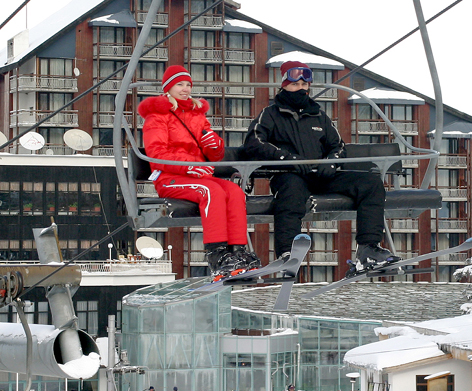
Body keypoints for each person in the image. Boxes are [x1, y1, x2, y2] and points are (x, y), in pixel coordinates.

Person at [243, 61, 400, 268]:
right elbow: (253, 143)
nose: (301, 88)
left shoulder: (318, 115)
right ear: (284, 85)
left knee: (370, 184)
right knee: (291, 193)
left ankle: (368, 247)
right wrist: (287, 159)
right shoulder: (271, 115)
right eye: (295, 84)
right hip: (290, 174)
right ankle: (287, 252)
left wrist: (332, 162)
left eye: (304, 84)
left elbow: (338, 146)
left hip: (322, 176)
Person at [138, 65, 260, 280]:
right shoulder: (157, 116)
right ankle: (217, 253)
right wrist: (187, 166)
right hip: (170, 178)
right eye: (179, 84)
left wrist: (214, 146)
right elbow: (156, 152)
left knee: (234, 191)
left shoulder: (197, 115)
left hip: (199, 174)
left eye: (188, 85)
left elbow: (213, 156)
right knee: (210, 191)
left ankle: (237, 251)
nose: (185, 89)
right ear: (168, 88)